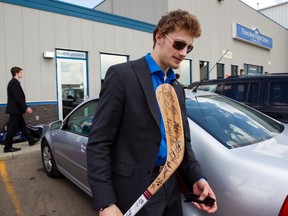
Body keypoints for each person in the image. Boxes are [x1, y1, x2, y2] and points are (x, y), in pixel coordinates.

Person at [87, 9, 217, 216]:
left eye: (189, 48)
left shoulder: (176, 88)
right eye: (179, 44)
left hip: (170, 188)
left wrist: (197, 179)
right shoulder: (122, 76)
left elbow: (182, 143)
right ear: (159, 37)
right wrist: (105, 203)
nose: (183, 53)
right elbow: (99, 143)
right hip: (132, 192)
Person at [3, 66, 38, 153]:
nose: (22, 73)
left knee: (22, 126)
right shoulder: (14, 83)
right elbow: (17, 98)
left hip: (16, 110)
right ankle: (7, 147)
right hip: (15, 111)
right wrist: (26, 107)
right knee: (11, 129)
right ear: (16, 73)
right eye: (21, 72)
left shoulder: (15, 83)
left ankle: (31, 140)